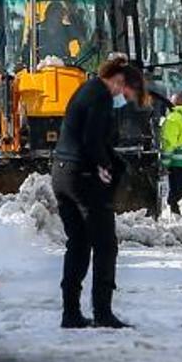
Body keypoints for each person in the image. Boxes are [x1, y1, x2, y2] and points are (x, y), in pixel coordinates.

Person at [52, 53, 145, 329]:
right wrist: (103, 165)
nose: (124, 99)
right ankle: (103, 312)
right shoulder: (101, 96)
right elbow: (92, 137)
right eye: (127, 93)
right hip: (83, 178)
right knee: (105, 245)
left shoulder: (85, 88)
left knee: (78, 244)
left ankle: (70, 313)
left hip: (62, 173)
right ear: (119, 81)